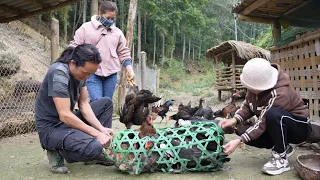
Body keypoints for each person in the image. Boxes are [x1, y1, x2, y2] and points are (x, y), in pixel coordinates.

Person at [219, 58, 310, 176]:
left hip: (299, 127)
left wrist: (239, 141)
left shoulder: (280, 93)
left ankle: (281, 159)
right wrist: (234, 120)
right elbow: (247, 106)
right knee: (243, 131)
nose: (249, 89)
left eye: (251, 87)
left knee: (273, 114)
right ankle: (284, 147)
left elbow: (263, 121)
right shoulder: (254, 89)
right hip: (280, 127)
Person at [35, 44, 115, 174]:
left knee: (106, 103)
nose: (88, 77)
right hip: (51, 128)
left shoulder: (80, 74)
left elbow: (83, 104)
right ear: (73, 63)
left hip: (66, 123)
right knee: (93, 148)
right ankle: (57, 149)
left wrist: (101, 129)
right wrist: (96, 134)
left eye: (91, 73)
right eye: (86, 72)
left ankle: (97, 151)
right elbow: (65, 115)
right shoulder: (59, 74)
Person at [70, 0, 134, 101]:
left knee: (107, 103)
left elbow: (123, 52)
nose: (110, 21)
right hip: (91, 73)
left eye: (113, 19)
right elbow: (74, 47)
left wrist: (129, 70)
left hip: (111, 74)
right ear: (100, 13)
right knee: (97, 102)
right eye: (108, 18)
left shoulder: (117, 33)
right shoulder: (85, 28)